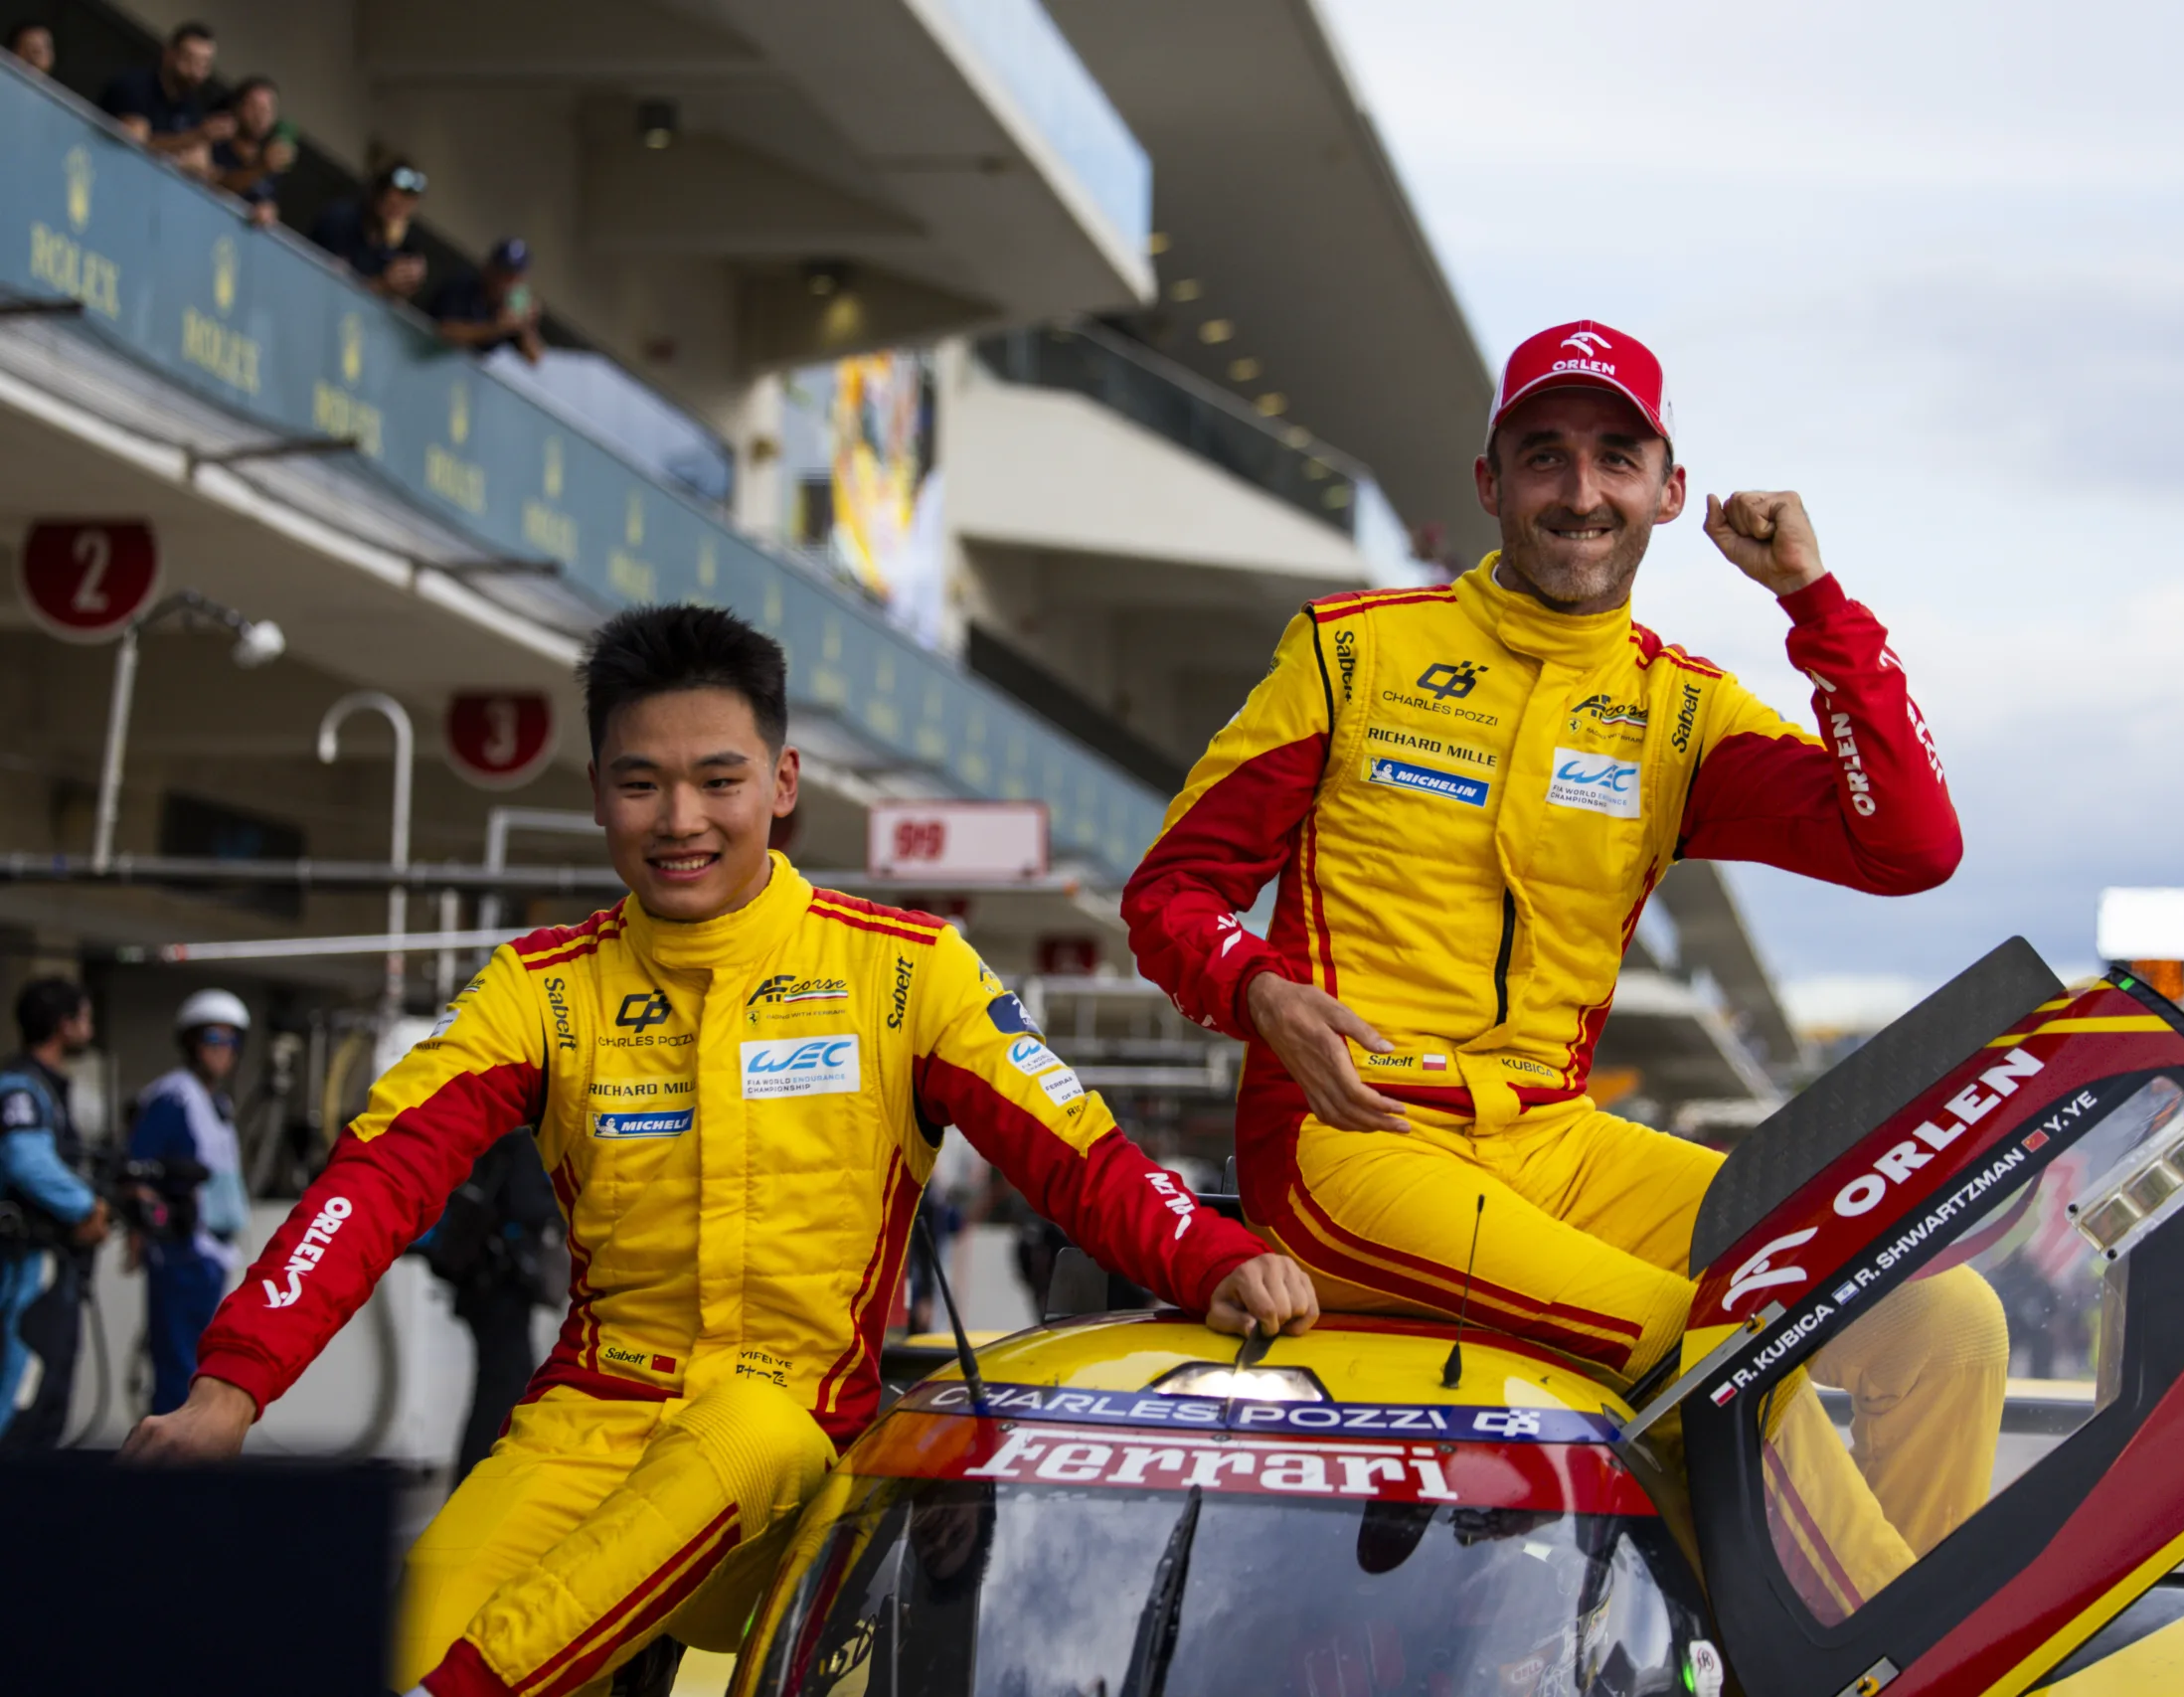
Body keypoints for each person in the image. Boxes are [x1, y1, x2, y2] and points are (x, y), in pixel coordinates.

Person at [124, 603, 1319, 1697]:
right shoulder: (538, 992)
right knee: (377, 1648)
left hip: (793, 1479)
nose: (680, 820)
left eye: (718, 780)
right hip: (580, 1437)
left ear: (783, 782)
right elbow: (375, 1180)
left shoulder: (906, 973)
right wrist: (232, 1393)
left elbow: (1081, 1158)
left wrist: (1214, 1261)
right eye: (641, 784)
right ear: (597, 792)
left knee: (746, 1431)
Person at [1123, 318, 1996, 1609]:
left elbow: (1910, 844)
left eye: (1614, 456)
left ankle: (1917, 1631)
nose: (1580, 492)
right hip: (1352, 1143)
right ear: (1490, 483)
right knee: (1709, 1346)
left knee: (1946, 1317)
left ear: (1669, 489)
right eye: (1543, 457)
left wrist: (1813, 603)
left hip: (1559, 1138)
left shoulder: (1682, 711)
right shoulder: (1350, 651)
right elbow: (1171, 891)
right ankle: (1915, 1666)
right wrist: (1256, 987)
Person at [125, 988, 253, 1415]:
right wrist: (143, 1230)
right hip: (180, 1251)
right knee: (176, 1370)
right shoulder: (172, 1097)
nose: (224, 1051)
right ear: (192, 1043)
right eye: (214, 1039)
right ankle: (167, 1477)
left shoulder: (218, 1102)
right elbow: (136, 1170)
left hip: (211, 1253)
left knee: (203, 1367)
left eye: (232, 1041)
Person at [0, 977, 110, 1447]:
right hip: (30, 1260)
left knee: (50, 1398)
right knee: (25, 1389)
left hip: (56, 1262)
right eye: (84, 1016)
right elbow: (26, 1160)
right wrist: (88, 1207)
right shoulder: (20, 1087)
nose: (89, 1026)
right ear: (65, 1025)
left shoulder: (48, 1087)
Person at [421, 1125, 563, 1481]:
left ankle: (478, 1478)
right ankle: (478, 1479)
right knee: (505, 1386)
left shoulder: (486, 1138)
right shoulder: (519, 1142)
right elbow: (529, 1205)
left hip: (479, 1282)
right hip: (499, 1284)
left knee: (499, 1383)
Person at [97, 20, 230, 179]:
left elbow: (199, 165)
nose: (196, 71)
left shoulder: (192, 107)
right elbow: (134, 145)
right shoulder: (135, 86)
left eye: (204, 65)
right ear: (169, 54)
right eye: (188, 59)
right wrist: (195, 137)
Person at [309, 160, 429, 300]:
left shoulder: (398, 248)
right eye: (393, 206)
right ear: (379, 195)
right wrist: (384, 284)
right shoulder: (343, 219)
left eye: (406, 208)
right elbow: (333, 286)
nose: (398, 213)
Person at [429, 238, 545, 363]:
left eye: (513, 277)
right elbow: (446, 331)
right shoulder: (463, 285)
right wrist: (496, 328)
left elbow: (534, 357)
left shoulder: (508, 307)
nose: (506, 282)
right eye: (503, 272)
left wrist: (525, 326)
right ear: (490, 267)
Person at [210, 75, 295, 227]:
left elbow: (267, 204)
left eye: (267, 110)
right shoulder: (216, 143)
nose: (260, 116)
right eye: (254, 107)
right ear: (237, 107)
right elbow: (217, 184)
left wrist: (269, 210)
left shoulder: (271, 164)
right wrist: (261, 168)